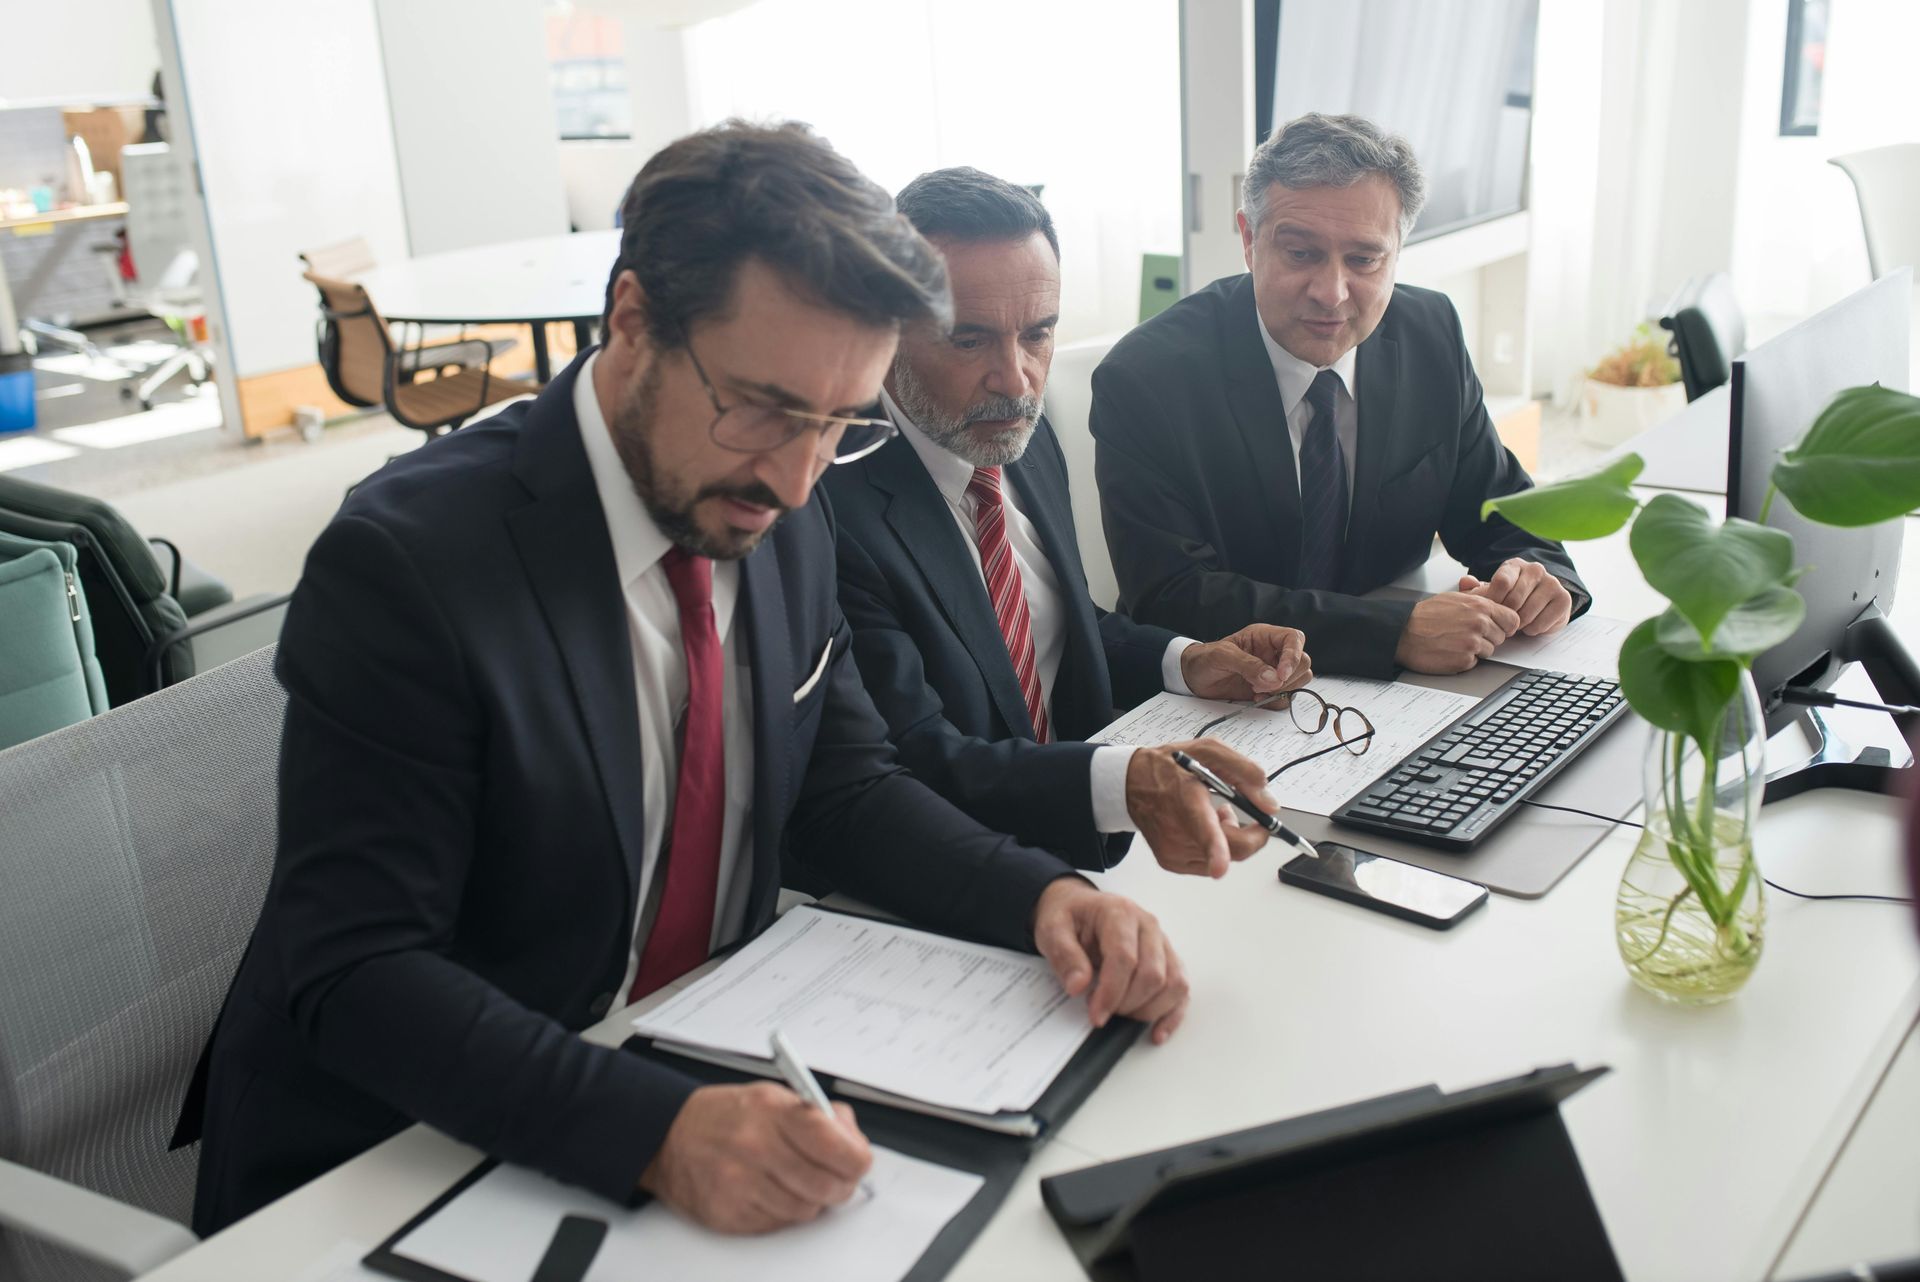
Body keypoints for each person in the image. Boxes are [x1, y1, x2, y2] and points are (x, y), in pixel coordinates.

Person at [174, 122, 1188, 1239]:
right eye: (765, 407)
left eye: (843, 422)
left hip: (695, 1047)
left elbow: (844, 786)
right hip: (399, 1153)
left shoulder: (781, 504)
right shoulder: (412, 563)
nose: (799, 480)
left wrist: (1043, 897)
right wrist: (656, 1128)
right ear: (634, 321)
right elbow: (358, 970)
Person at [824, 167, 1312, 876]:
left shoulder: (1014, 427)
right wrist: (1126, 784)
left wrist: (1187, 660)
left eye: (1038, 334)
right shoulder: (832, 501)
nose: (1016, 377)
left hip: (1095, 839)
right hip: (969, 868)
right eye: (970, 340)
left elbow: (1051, 616)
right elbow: (915, 757)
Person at [1092, 113, 1589, 678]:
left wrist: (1538, 579)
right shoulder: (1146, 379)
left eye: (1363, 259)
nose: (1331, 294)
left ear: (1399, 250)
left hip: (1412, 691)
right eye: (1301, 254)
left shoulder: (1432, 333)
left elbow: (1498, 508)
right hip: (1228, 693)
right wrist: (1393, 633)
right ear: (1250, 240)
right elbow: (1175, 594)